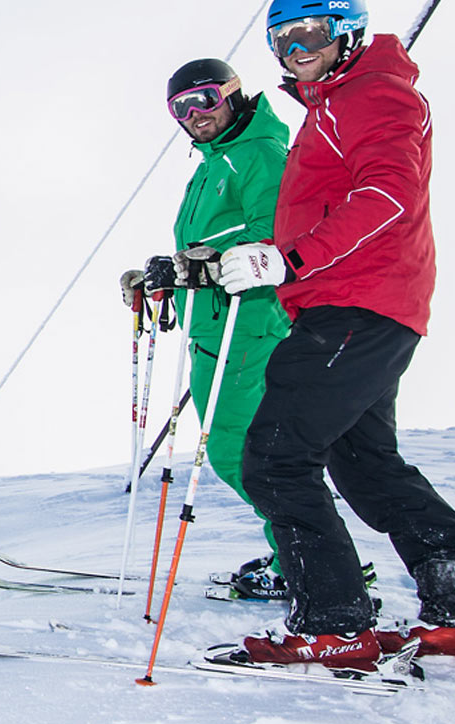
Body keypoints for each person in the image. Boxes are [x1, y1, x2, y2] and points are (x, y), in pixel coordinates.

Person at [214, 0, 455, 669]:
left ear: (346, 32)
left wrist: (287, 260)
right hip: (362, 302)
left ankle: (331, 626)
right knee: (366, 466)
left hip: (355, 304)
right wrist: (262, 255)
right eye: (282, 38)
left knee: (273, 454)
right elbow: (328, 209)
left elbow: (388, 192)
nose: (297, 48)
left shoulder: (371, 94)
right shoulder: (332, 104)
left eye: (312, 32)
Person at [131, 57, 298, 599]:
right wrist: (166, 277)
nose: (193, 115)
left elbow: (273, 235)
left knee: (239, 449)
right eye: (180, 108)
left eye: (203, 99)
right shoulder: (212, 161)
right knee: (241, 448)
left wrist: (195, 264)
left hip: (246, 324)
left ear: (232, 92)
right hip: (213, 326)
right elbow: (204, 249)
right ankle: (296, 552)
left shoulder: (257, 154)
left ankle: (305, 560)